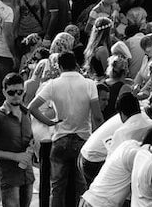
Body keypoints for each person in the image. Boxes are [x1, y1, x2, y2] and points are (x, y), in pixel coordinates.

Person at [28, 50, 102, 207]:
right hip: (83, 140)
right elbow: (97, 116)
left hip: (60, 139)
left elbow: (32, 107)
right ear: (75, 64)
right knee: (82, 188)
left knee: (57, 188)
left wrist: (49, 122)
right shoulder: (89, 84)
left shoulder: (53, 85)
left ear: (59, 66)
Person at [0, 73, 36, 207]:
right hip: (8, 177)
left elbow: (31, 139)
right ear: (4, 92)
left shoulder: (26, 113)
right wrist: (15, 156)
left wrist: (34, 146)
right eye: (11, 92)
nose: (16, 95)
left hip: (27, 175)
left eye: (20, 92)